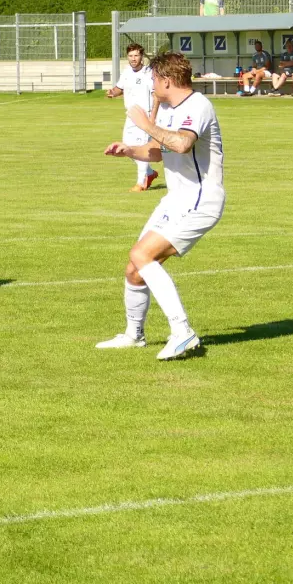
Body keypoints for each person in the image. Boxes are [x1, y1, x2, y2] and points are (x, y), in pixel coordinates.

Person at [100, 50, 223, 360]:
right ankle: (134, 336)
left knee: (141, 255)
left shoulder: (198, 105)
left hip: (200, 200)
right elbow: (156, 151)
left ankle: (183, 332)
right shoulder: (166, 107)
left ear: (167, 80)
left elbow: (181, 143)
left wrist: (144, 122)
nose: (151, 84)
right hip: (176, 199)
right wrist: (129, 150)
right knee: (134, 269)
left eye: (154, 79)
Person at [105, 43, 158, 191]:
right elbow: (119, 88)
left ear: (141, 57)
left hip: (145, 115)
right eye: (130, 56)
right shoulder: (126, 72)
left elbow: (156, 96)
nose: (133, 58)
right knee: (126, 147)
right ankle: (149, 173)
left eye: (136, 55)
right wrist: (112, 92)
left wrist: (153, 117)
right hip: (130, 115)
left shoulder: (149, 73)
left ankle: (141, 183)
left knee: (141, 148)